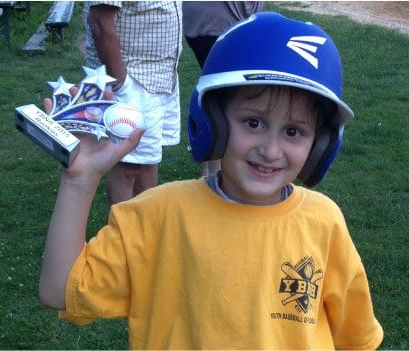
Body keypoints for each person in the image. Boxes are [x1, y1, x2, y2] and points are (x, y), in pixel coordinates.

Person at [39, 12, 383, 349]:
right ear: (212, 121)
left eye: (294, 131)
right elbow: (60, 291)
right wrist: (80, 179)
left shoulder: (324, 222)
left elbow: (355, 339)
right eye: (253, 123)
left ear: (321, 145)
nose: (271, 150)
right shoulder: (157, 215)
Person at [84, 1, 182, 205]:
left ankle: (145, 229)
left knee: (147, 161)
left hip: (159, 77)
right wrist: (121, 83)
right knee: (127, 166)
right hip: (133, 79)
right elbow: (99, 22)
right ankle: (123, 233)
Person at [182, 1, 264, 176]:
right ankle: (215, 171)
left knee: (220, 92)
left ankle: (213, 167)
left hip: (211, 20)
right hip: (217, 22)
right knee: (224, 96)